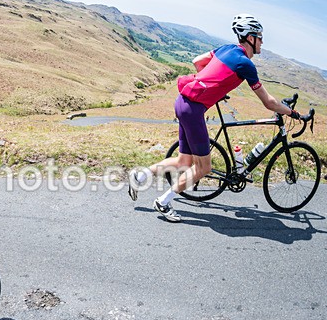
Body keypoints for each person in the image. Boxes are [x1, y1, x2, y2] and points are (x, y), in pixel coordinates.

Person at [127, 14, 299, 222]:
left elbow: (197, 62)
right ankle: (163, 202)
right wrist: (292, 113)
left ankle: (140, 176)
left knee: (184, 160)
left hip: (182, 102)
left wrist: (210, 85)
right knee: (203, 167)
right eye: (260, 37)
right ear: (250, 38)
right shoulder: (245, 64)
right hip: (193, 110)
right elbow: (268, 102)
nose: (262, 41)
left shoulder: (227, 48)